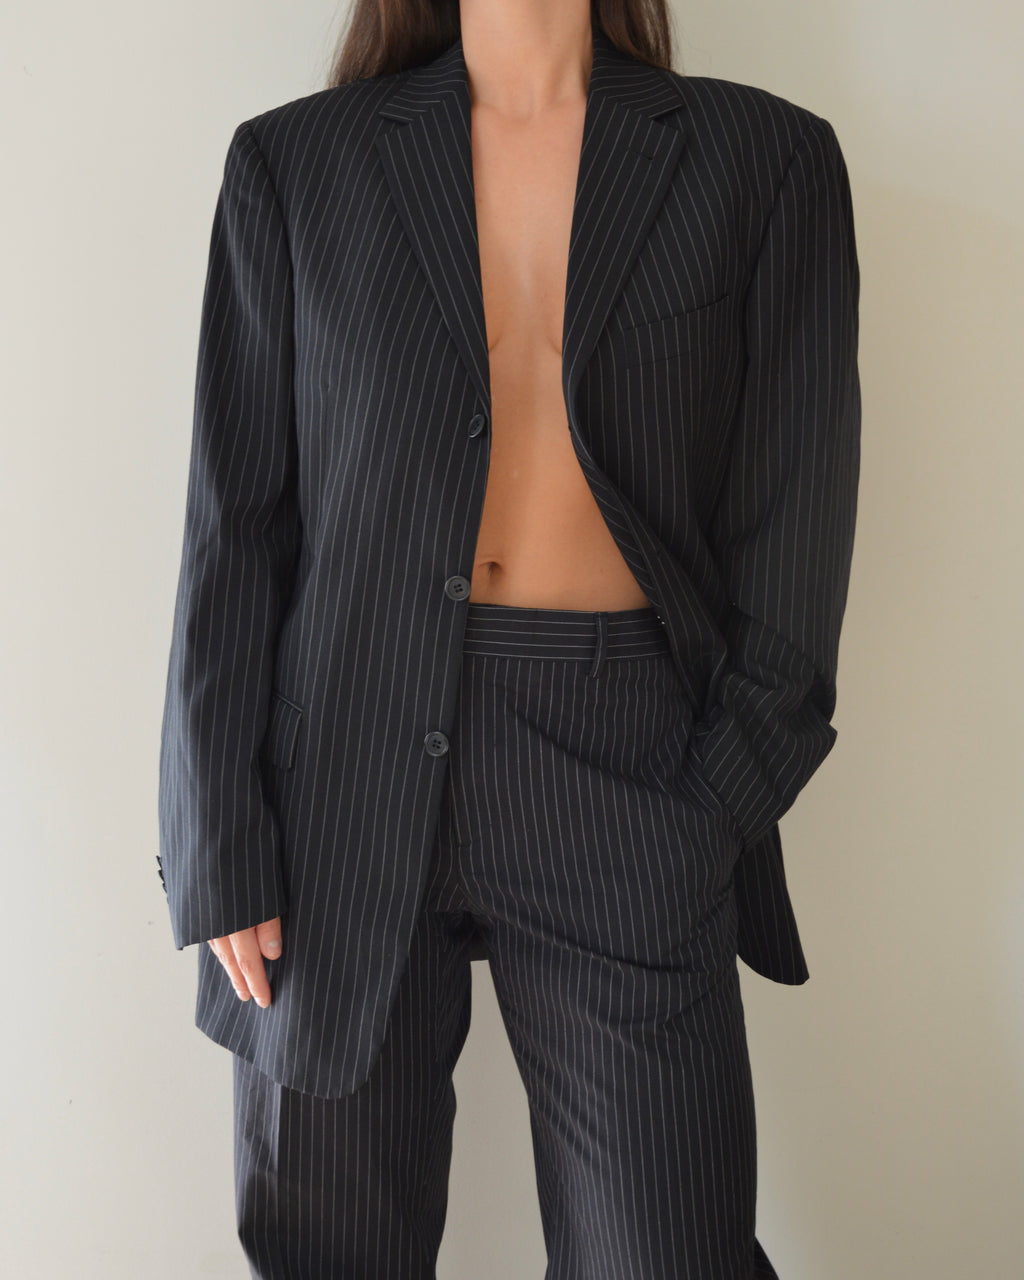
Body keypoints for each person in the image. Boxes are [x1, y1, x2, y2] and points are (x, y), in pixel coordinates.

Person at [157, 0, 860, 1276]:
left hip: (628, 768)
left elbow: (794, 520)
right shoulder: (295, 165)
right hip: (336, 781)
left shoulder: (762, 161)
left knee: (667, 1251)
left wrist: (710, 809)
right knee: (328, 1252)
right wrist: (219, 841)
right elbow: (233, 533)